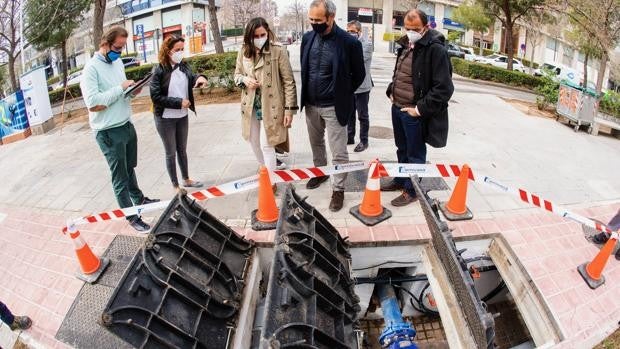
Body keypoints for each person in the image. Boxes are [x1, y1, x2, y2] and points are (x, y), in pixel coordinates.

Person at [80, 27, 160, 232]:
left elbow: (121, 94)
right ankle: (131, 216)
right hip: (108, 131)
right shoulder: (91, 69)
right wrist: (121, 88)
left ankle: (139, 198)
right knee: (119, 177)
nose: (120, 52)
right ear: (105, 44)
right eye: (118, 47)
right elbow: (93, 104)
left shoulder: (116, 62)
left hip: (125, 124)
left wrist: (132, 91)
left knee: (129, 168)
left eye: (123, 47)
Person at [382, 9, 454, 207]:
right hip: (397, 107)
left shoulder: (435, 49)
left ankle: (412, 190)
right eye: (407, 28)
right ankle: (401, 180)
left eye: (415, 29)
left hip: (413, 113)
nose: (411, 32)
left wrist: (419, 109)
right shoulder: (405, 43)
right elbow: (401, 72)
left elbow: (444, 88)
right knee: (402, 148)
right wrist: (391, 90)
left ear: (426, 27)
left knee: (415, 154)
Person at [300, 0, 365, 212]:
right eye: (311, 19)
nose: (314, 23)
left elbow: (359, 75)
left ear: (331, 17)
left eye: (318, 20)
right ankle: (320, 173)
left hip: (334, 107)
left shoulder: (349, 42)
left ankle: (338, 190)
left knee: (339, 152)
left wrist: (342, 93)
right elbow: (305, 68)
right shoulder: (308, 38)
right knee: (316, 145)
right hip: (311, 104)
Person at [234, 17, 298, 187]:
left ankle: (271, 183)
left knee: (267, 144)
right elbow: (236, 75)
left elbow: (289, 82)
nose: (261, 38)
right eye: (256, 35)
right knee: (253, 141)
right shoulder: (243, 51)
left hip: (272, 106)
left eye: (263, 34)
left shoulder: (278, 50)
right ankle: (265, 170)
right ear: (249, 36)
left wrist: (289, 110)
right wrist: (245, 80)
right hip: (251, 105)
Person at [150, 35, 208, 191]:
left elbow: (191, 77)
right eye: (177, 50)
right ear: (168, 51)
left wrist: (200, 78)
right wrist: (178, 102)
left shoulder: (183, 65)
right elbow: (155, 97)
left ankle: (186, 179)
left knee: (182, 149)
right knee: (170, 152)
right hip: (165, 118)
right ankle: (175, 185)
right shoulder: (159, 70)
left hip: (182, 116)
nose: (180, 53)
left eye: (182, 49)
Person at [346, 20, 373, 153]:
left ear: (359, 32)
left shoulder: (367, 44)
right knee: (350, 114)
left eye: (353, 32)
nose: (350, 34)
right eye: (348, 32)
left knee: (362, 115)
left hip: (362, 86)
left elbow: (356, 61)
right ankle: (350, 137)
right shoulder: (346, 44)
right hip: (350, 87)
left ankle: (364, 141)